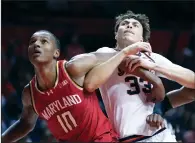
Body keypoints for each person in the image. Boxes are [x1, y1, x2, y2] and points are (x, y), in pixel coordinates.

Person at [2, 30, 154, 142]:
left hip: (101, 139)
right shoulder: (30, 94)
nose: (36, 44)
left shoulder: (74, 67)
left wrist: (137, 58)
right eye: (32, 42)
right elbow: (25, 123)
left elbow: (113, 56)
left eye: (43, 41)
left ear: (56, 53)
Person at [66, 10, 177, 142]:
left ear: (142, 39)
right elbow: (90, 83)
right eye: (124, 24)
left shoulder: (153, 58)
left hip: (160, 133)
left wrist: (159, 110)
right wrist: (126, 54)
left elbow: (190, 82)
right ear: (116, 35)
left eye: (135, 25)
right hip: (128, 136)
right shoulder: (105, 53)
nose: (129, 26)